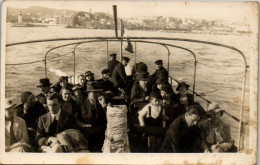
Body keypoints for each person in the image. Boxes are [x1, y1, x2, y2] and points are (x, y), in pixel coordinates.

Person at [77, 81, 107, 152]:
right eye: (94, 93)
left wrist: (103, 106)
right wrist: (83, 125)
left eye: (97, 92)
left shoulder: (101, 102)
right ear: (88, 93)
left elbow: (107, 116)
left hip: (100, 131)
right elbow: (77, 118)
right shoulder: (81, 103)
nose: (97, 94)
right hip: (88, 130)